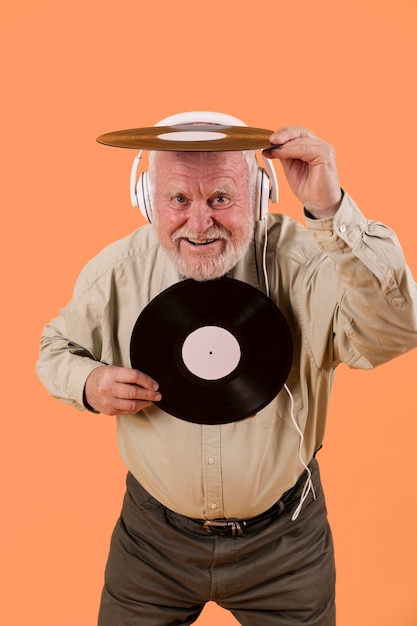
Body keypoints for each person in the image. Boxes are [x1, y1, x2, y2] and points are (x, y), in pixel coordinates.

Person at [36, 113, 417, 626]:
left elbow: (396, 330)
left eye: (220, 198)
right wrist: (87, 383)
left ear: (258, 198)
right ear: (147, 199)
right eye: (178, 200)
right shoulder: (117, 271)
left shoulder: (307, 264)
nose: (199, 223)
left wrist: (330, 211)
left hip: (287, 542)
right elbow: (54, 348)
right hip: (152, 543)